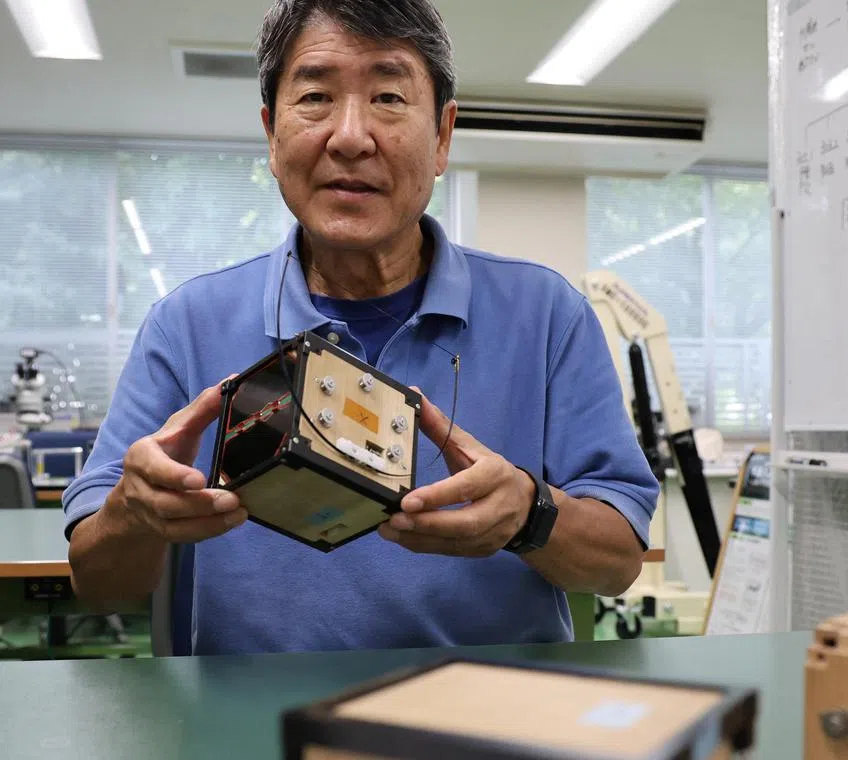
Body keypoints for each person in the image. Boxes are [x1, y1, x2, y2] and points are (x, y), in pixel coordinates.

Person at [62, 0, 659, 655]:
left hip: (483, 724)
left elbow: (617, 560)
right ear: (270, 131)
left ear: (442, 137)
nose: (350, 136)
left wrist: (530, 512)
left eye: (388, 96)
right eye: (316, 95)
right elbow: (100, 584)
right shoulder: (187, 326)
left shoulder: (547, 315)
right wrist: (133, 513)